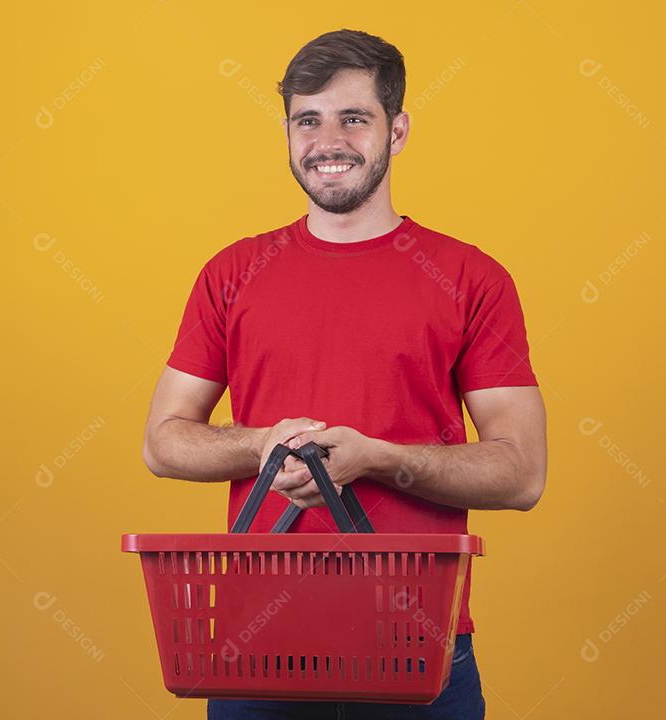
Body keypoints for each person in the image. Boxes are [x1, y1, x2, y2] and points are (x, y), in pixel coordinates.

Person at [141, 28, 547, 720]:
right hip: (257, 648)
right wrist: (261, 442)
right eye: (309, 120)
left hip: (416, 645)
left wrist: (376, 459)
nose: (329, 141)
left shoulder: (470, 278)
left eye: (354, 118)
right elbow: (163, 442)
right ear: (289, 132)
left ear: (398, 129)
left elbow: (522, 472)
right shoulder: (233, 274)